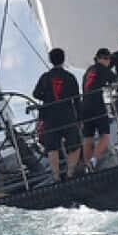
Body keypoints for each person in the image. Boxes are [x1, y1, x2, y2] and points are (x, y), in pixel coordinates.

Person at [33, 47, 82, 180]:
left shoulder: (45, 77)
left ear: (50, 60)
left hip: (50, 117)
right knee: (75, 145)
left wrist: (47, 97)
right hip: (67, 115)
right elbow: (77, 99)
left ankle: (56, 176)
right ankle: (70, 173)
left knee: (52, 148)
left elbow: (35, 93)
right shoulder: (70, 77)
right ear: (63, 59)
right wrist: (80, 118)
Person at [81, 48, 117, 171]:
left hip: (84, 104)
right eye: (107, 59)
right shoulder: (103, 69)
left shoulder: (88, 70)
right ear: (102, 59)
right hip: (97, 103)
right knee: (105, 135)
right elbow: (115, 81)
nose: (108, 61)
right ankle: (93, 160)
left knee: (88, 137)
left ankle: (87, 165)